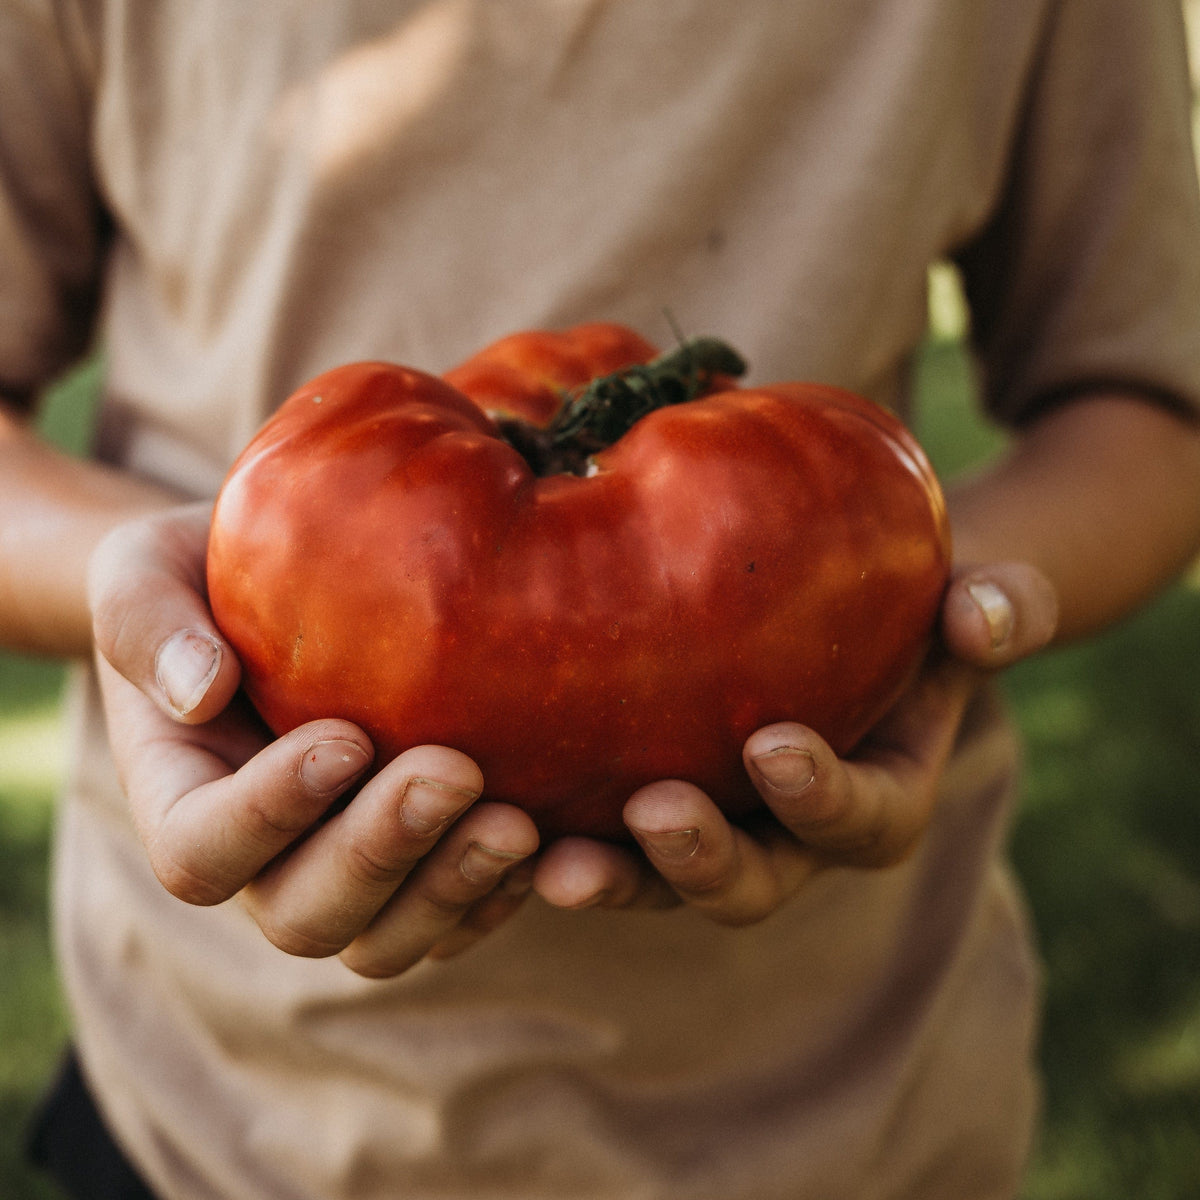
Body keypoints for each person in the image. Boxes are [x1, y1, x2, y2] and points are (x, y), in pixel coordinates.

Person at [4, 1, 1200, 1197]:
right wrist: (154, 590)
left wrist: (923, 598)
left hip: (851, 1109)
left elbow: (1151, 398)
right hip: (224, 1106)